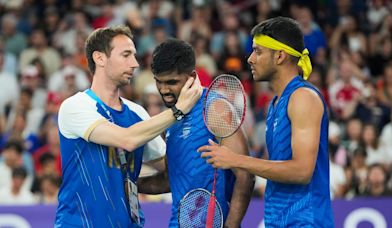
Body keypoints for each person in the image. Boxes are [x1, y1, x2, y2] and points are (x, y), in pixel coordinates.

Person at [55, 26, 202, 227]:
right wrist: (178, 111)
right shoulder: (75, 107)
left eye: (134, 55)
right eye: (126, 55)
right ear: (100, 58)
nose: (134, 63)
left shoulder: (138, 114)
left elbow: (171, 173)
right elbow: (127, 139)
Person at [198, 17, 334, 227]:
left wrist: (235, 159)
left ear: (280, 55)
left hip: (306, 221)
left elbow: (302, 171)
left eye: (258, 51)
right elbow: (277, 167)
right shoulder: (276, 103)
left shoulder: (303, 98)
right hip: (277, 220)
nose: (250, 59)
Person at [138, 38, 254, 227]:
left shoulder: (214, 107)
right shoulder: (173, 118)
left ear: (192, 76)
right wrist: (130, 184)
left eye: (171, 82)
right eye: (158, 82)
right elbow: (170, 180)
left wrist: (231, 226)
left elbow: (245, 174)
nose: (164, 89)